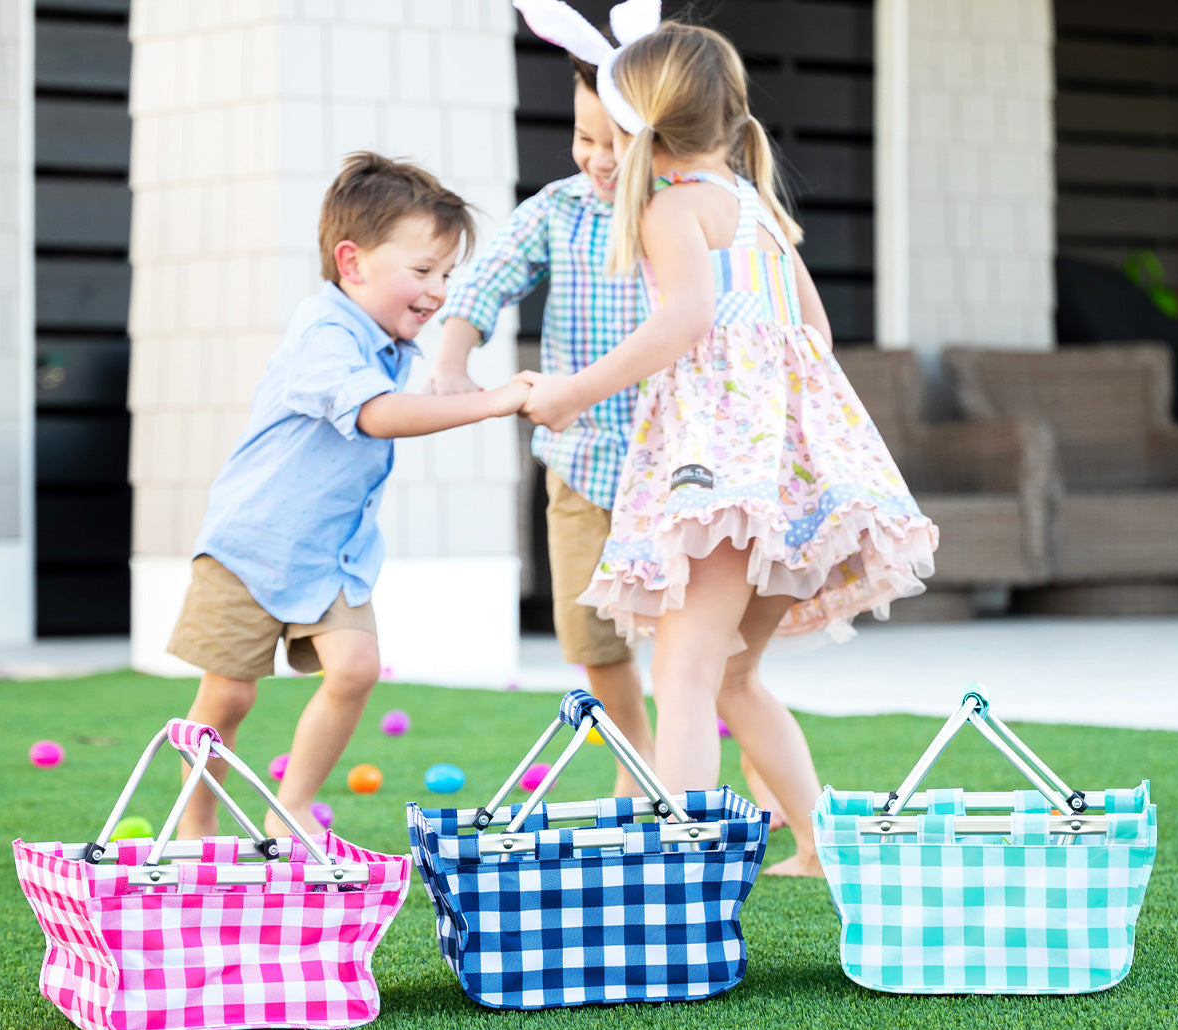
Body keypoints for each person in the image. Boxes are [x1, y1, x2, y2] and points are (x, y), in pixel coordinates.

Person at [517, 17, 938, 875]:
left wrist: (570, 391)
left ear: (639, 126)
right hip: (785, 482)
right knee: (735, 676)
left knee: (683, 675)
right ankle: (819, 843)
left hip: (725, 483)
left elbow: (684, 320)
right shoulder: (757, 211)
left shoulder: (672, 209)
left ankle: (677, 864)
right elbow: (814, 331)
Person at [429, 49, 785, 820]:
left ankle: (696, 774)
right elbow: (490, 277)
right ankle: (638, 752)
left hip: (675, 470)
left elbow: (700, 318)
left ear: (657, 135)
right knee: (596, 639)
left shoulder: (684, 208)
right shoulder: (563, 208)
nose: (595, 158)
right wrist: (454, 357)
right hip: (585, 464)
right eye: (581, 138)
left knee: (694, 656)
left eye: (612, 141)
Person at [167, 152, 529, 840]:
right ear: (353, 262)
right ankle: (197, 825)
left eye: (447, 274)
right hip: (251, 543)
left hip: (332, 553)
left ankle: (290, 805)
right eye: (423, 271)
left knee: (356, 667)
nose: (438, 291)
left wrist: (461, 389)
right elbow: (377, 415)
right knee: (229, 694)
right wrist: (490, 405)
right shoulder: (325, 331)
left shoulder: (390, 345)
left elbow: (402, 404)